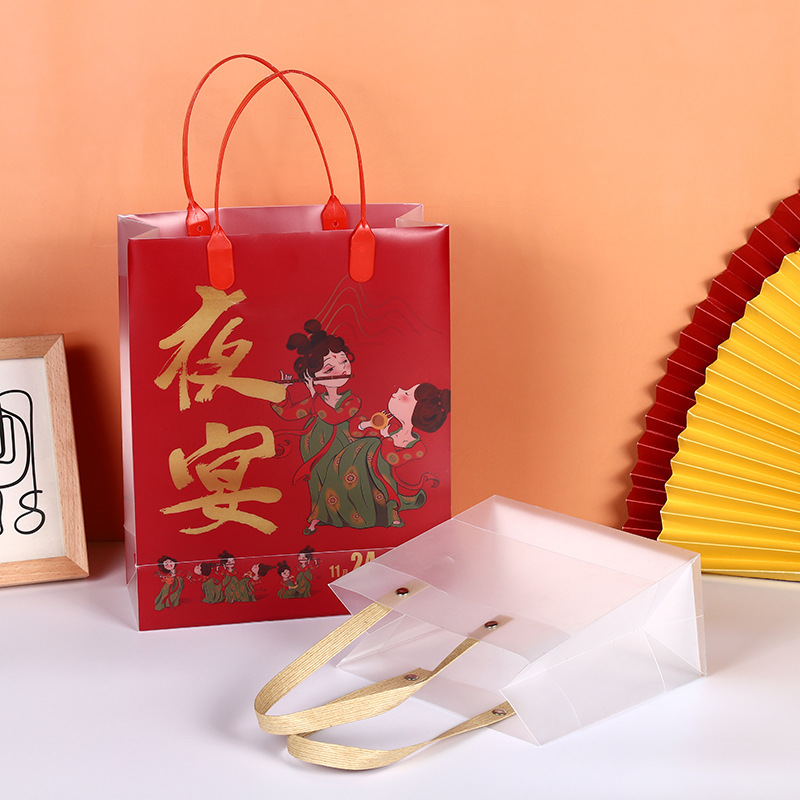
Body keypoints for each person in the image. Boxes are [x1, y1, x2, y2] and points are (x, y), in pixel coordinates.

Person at [306, 382, 451, 531]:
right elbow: (356, 432)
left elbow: (393, 459)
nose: (399, 389)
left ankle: (389, 512)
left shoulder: (417, 446)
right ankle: (324, 514)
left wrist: (386, 438)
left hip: (383, 485)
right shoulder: (391, 427)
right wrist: (367, 424)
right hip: (356, 475)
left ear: (419, 411)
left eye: (407, 393)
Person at [271, 319, 361, 533]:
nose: (341, 369)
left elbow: (333, 418)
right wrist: (282, 391)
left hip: (344, 450)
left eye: (344, 361)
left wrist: (313, 392)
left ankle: (353, 514)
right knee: (319, 482)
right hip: (316, 452)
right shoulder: (314, 402)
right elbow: (288, 413)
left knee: (345, 479)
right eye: (330, 368)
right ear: (312, 376)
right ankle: (320, 516)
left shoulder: (351, 400)